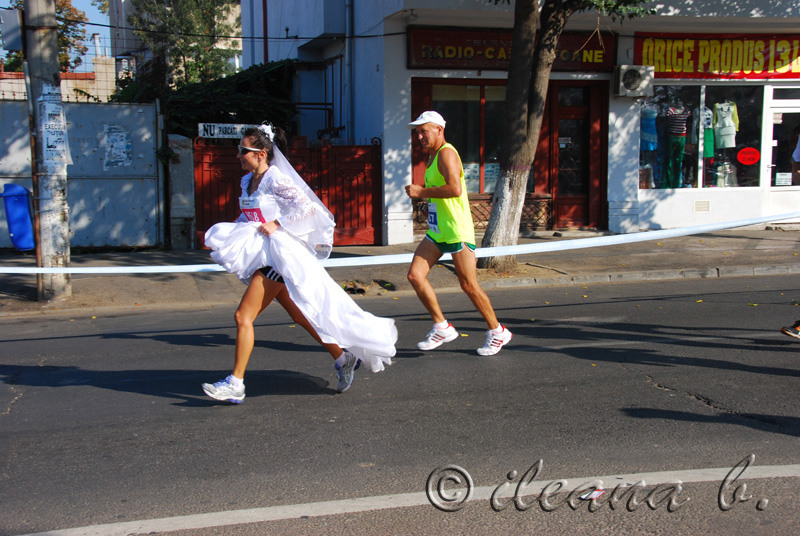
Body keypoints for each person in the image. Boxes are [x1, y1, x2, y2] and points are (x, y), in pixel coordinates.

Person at [202, 125, 396, 403]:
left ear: (261, 153)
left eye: (243, 150)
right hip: (262, 254)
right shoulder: (247, 181)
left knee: (243, 316)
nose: (238, 155)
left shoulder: (274, 178)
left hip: (277, 258)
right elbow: (249, 217)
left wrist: (277, 223)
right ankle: (343, 358)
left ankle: (236, 383)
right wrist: (230, 234)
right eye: (239, 150)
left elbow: (307, 207)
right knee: (300, 315)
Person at [404, 111, 512, 356]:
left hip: (456, 229)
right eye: (417, 132)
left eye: (424, 131)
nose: (419, 136)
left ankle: (498, 331)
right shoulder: (433, 155)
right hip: (438, 229)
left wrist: (422, 192)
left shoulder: (447, 153)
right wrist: (428, 202)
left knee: (468, 285)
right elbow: (441, 190)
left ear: (439, 130)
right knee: (415, 276)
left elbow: (455, 189)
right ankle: (442, 327)